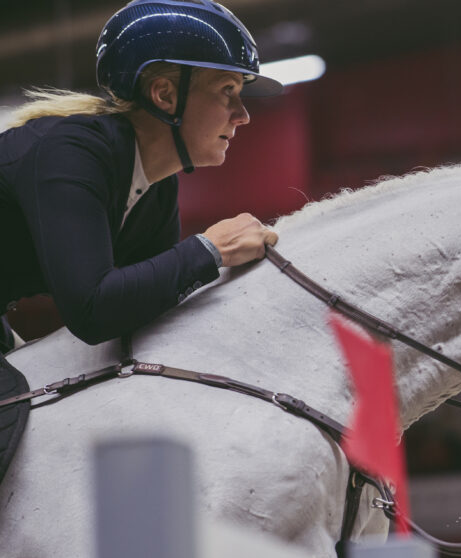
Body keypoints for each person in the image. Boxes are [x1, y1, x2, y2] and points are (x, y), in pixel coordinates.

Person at [0, 0, 282, 350]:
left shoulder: (159, 188)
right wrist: (211, 249)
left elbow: (141, 307)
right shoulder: (71, 151)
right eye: (228, 91)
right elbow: (92, 310)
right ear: (164, 94)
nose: (243, 115)